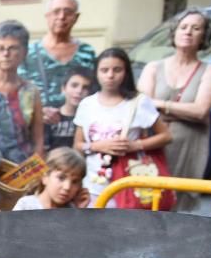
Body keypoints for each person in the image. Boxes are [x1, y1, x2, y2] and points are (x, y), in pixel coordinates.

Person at [137, 8, 211, 211]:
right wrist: (183, 110)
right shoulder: (153, 68)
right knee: (147, 200)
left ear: (204, 36)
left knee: (180, 205)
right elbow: (143, 107)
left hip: (188, 148)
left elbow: (201, 111)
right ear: (174, 32)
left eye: (196, 28)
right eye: (183, 27)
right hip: (154, 144)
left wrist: (162, 104)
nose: (188, 32)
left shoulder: (210, 70)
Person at [73, 48, 171, 207]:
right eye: (104, 70)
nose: (110, 75)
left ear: (126, 72)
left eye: (117, 70)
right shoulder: (87, 104)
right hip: (92, 185)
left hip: (128, 183)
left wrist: (135, 145)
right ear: (96, 73)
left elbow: (166, 136)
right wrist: (97, 146)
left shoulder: (139, 102)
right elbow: (77, 145)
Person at [0, 20, 44, 164]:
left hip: (20, 171)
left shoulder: (30, 91)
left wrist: (35, 174)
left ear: (24, 52)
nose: (5, 54)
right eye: (0, 48)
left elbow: (38, 140)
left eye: (13, 48)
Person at [19, 0, 97, 127]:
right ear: (47, 16)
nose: (61, 17)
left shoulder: (87, 52)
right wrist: (37, 112)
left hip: (77, 128)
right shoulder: (29, 52)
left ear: (76, 17)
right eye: (56, 12)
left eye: (68, 12)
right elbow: (18, 91)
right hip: (38, 128)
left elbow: (95, 91)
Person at [13, 147, 89, 210]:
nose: (67, 187)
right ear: (45, 177)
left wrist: (79, 212)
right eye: (61, 178)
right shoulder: (26, 205)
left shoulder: (72, 210)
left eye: (75, 182)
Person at [45, 67, 93, 152]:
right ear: (63, 88)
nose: (79, 91)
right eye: (74, 85)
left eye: (85, 87)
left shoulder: (90, 120)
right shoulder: (51, 117)